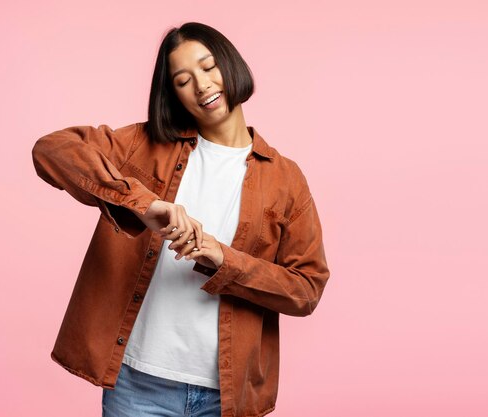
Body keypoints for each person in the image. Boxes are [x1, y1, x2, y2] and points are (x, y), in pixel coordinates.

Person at [31, 22, 330, 417]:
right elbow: (52, 150)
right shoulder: (144, 145)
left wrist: (225, 261)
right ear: (173, 94)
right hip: (137, 385)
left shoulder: (285, 179)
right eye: (183, 80)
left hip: (226, 396)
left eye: (208, 67)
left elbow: (306, 288)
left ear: (231, 65)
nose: (203, 85)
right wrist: (143, 204)